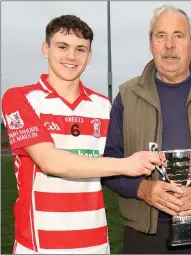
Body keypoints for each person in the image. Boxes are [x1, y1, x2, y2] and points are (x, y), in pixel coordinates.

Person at [1, 15, 161, 254]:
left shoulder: (103, 106)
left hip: (95, 244)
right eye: (62, 47)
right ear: (46, 49)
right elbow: (49, 161)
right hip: (39, 246)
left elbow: (122, 161)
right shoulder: (20, 98)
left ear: (89, 55)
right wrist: (126, 165)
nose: (71, 57)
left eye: (80, 49)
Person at [100, 5, 191, 254]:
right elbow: (109, 163)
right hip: (144, 234)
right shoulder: (126, 96)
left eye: (178, 35)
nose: (169, 45)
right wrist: (142, 189)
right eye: (161, 36)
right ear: (150, 44)